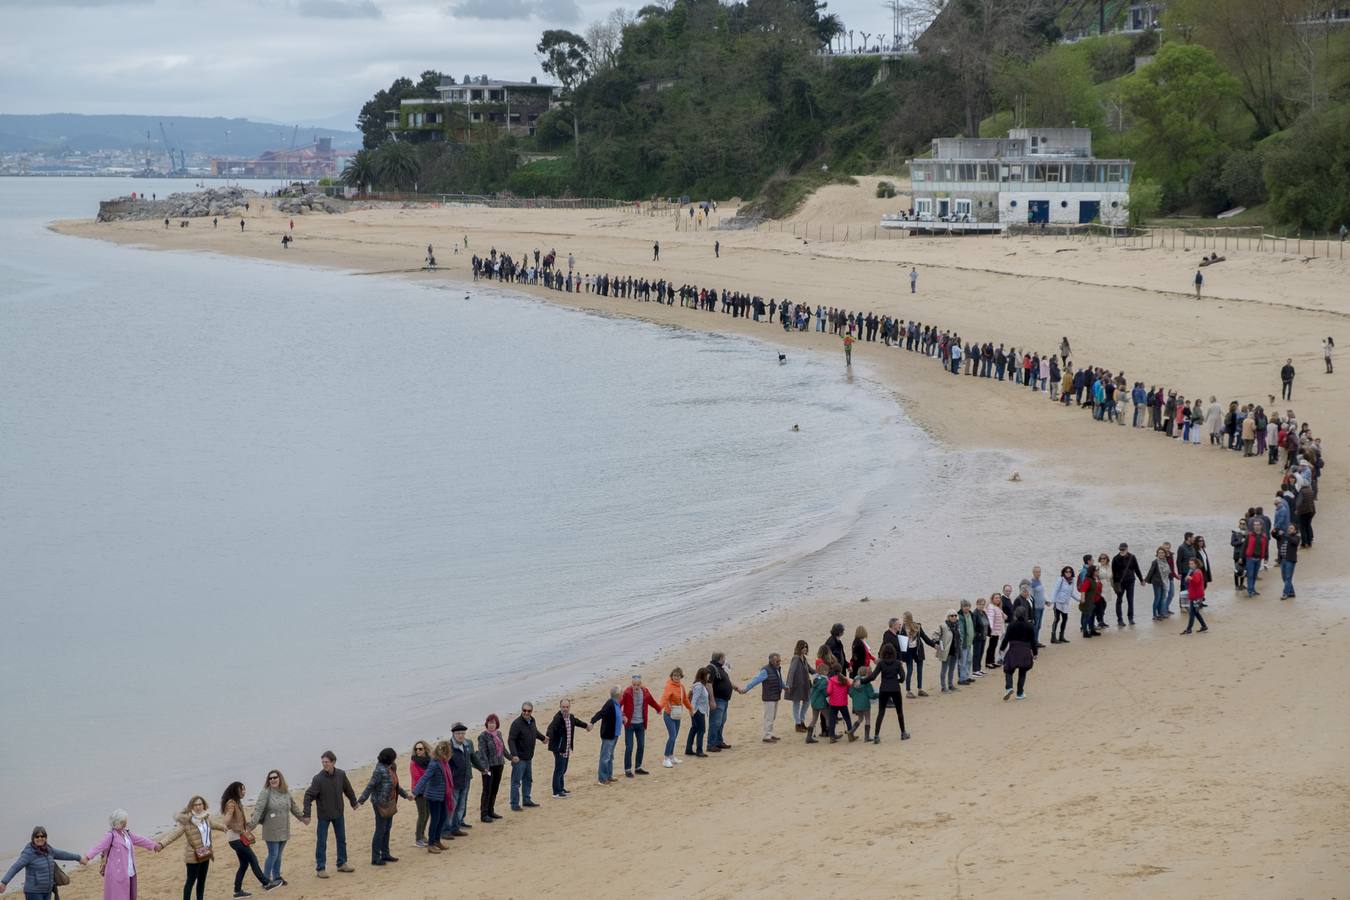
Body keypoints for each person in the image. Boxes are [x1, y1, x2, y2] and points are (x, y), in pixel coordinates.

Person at [158, 795, 227, 900]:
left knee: (202, 881)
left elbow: (213, 825)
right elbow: (174, 834)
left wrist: (224, 827)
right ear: (191, 807)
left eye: (200, 804)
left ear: (203, 805)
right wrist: (162, 844)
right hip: (193, 856)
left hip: (205, 852)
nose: (198, 807)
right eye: (195, 805)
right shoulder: (187, 821)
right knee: (190, 882)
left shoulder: (205, 817)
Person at [302, 751, 356, 878]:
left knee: (341, 839)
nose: (324, 764)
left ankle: (342, 863)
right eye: (323, 762)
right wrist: (307, 814)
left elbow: (348, 789)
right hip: (324, 816)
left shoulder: (341, 774)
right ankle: (320, 868)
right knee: (322, 842)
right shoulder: (318, 779)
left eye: (326, 762)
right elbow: (308, 796)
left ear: (333, 762)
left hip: (338, 813)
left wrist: (354, 802)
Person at [85, 810, 160, 900]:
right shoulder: (110, 835)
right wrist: (87, 857)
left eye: (125, 821)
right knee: (119, 896)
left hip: (130, 871)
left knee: (129, 895)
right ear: (116, 823)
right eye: (123, 821)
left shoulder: (126, 833)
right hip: (117, 873)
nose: (125, 823)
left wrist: (153, 845)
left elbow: (140, 839)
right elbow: (99, 846)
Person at [356, 749, 412, 866]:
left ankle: (385, 854)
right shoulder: (379, 770)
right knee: (380, 830)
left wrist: (406, 795)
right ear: (389, 758)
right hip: (379, 803)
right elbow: (370, 786)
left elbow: (396, 785)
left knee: (387, 828)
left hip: (390, 802)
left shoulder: (392, 767)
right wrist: (361, 801)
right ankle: (375, 858)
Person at [248, 769, 303, 886]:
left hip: (284, 828)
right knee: (273, 854)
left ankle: (277, 877)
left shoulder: (285, 792)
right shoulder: (265, 792)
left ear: (280, 778)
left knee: (278, 855)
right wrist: (251, 826)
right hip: (271, 829)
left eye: (275, 777)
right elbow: (258, 810)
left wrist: (302, 818)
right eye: (270, 778)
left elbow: (293, 806)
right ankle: (266, 880)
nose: (273, 780)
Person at [1, 826, 86, 899]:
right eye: (37, 836)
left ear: (46, 838)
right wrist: (4, 882)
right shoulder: (28, 853)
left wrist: (78, 858)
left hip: (47, 890)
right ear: (33, 838)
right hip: (34, 892)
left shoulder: (49, 850)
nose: (40, 838)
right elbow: (15, 867)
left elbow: (63, 854)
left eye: (42, 836)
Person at [219, 781, 268, 896]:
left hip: (237, 838)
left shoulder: (237, 802)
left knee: (244, 864)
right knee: (253, 859)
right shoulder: (231, 803)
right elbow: (227, 819)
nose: (244, 791)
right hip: (235, 839)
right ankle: (266, 883)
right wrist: (230, 825)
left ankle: (237, 891)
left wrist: (245, 827)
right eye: (242, 789)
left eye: (244, 789)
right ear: (236, 790)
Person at [411, 741, 453, 853]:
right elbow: (424, 778)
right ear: (437, 751)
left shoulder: (444, 762)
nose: (443, 753)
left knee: (443, 817)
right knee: (435, 819)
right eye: (441, 750)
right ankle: (430, 844)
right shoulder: (434, 763)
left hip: (444, 795)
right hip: (433, 796)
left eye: (445, 751)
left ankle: (437, 840)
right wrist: (415, 792)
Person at [861, 643, 909, 742]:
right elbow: (903, 677)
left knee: (881, 712)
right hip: (895, 689)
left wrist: (861, 681)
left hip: (884, 689)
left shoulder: (881, 664)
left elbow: (873, 677)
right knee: (899, 712)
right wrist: (898, 681)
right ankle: (903, 733)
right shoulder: (897, 663)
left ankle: (876, 736)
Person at [545, 700, 590, 797]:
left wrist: (586, 726)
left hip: (566, 747)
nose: (565, 709)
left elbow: (578, 722)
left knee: (563, 768)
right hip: (559, 747)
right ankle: (556, 792)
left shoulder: (571, 717)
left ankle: (561, 788)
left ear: (569, 707)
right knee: (559, 769)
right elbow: (551, 728)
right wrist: (548, 736)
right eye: (563, 707)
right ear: (560, 707)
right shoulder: (557, 718)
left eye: (567, 707)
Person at [621, 674, 662, 775]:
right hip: (629, 724)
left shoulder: (645, 692)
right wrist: (623, 715)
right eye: (634, 684)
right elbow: (618, 705)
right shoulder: (627, 693)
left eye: (638, 685)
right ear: (632, 684)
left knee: (641, 745)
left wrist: (658, 709)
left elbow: (652, 701)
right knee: (629, 747)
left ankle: (638, 767)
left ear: (641, 684)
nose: (636, 687)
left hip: (641, 723)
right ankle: (627, 769)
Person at [507, 703, 545, 810]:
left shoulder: (532, 720)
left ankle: (526, 800)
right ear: (521, 710)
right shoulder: (516, 724)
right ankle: (514, 804)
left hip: (529, 757)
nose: (526, 713)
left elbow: (534, 732)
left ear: (531, 712)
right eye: (524, 710)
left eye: (529, 711)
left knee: (528, 780)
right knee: (516, 782)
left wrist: (543, 738)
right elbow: (511, 740)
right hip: (519, 758)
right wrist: (514, 755)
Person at [740, 654, 784, 743]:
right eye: (777, 661)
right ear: (771, 661)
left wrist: (785, 687)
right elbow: (756, 680)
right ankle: (766, 736)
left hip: (775, 696)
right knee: (769, 717)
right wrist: (746, 689)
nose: (779, 663)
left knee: (772, 716)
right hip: (769, 697)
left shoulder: (776, 669)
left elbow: (780, 680)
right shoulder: (765, 670)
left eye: (779, 661)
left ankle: (769, 734)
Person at [1000, 608, 1038, 700]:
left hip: (1013, 649)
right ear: (1025, 615)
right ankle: (1019, 693)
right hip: (1025, 650)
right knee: (1023, 671)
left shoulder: (1011, 625)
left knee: (1008, 669)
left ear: (1015, 615)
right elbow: (1033, 641)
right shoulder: (1029, 626)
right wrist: (1035, 652)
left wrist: (1002, 648)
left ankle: (1009, 687)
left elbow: (1006, 638)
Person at [476, 715, 508, 819]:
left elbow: (503, 748)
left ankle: (491, 811)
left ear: (496, 724)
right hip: (488, 767)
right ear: (486, 724)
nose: (491, 725)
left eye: (493, 723)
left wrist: (511, 758)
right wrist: (485, 767)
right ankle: (484, 814)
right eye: (489, 723)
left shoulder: (498, 733)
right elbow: (482, 753)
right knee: (487, 790)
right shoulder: (483, 736)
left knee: (495, 789)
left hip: (499, 764)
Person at [589, 689, 623, 784]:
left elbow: (616, 715)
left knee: (610, 756)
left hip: (615, 734)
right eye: (621, 693)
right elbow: (601, 713)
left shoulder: (616, 703)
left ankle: (609, 776)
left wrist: (622, 718)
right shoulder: (609, 704)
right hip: (608, 735)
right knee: (605, 757)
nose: (622, 695)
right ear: (618, 695)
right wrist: (592, 721)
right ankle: (602, 779)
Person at [902, 613, 935, 697]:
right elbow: (898, 642)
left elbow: (925, 638)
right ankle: (908, 691)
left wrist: (934, 645)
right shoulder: (901, 629)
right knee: (909, 671)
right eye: (903, 619)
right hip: (908, 652)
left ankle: (920, 689)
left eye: (905, 619)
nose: (904, 621)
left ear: (910, 619)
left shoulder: (917, 626)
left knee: (919, 670)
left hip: (918, 651)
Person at [1111, 543, 1144, 626]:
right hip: (1119, 582)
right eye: (1120, 549)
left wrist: (1141, 579)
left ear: (1127, 549)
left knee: (1130, 600)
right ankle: (1120, 619)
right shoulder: (1115, 558)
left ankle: (1130, 618)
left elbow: (1137, 569)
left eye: (1123, 549)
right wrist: (1114, 584)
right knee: (1119, 600)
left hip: (1130, 581)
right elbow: (1113, 573)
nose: (1122, 551)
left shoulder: (1132, 557)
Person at [706, 652, 735, 750]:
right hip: (718, 700)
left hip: (724, 700)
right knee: (715, 722)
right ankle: (711, 744)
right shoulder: (711, 668)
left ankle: (718, 741)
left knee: (721, 722)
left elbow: (727, 681)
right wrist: (712, 700)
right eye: (724, 658)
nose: (725, 660)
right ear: (720, 658)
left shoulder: (720, 669)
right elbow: (709, 684)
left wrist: (736, 688)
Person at [785, 640, 812, 732]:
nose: (805, 649)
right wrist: (789, 684)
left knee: (807, 701)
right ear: (799, 648)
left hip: (804, 685)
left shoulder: (804, 658)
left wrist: (821, 672)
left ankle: (801, 721)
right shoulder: (796, 658)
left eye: (806, 647)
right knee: (796, 704)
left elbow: (810, 669)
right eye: (803, 647)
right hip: (796, 685)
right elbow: (791, 671)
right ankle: (798, 724)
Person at [824, 664, 857, 742]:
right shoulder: (844, 679)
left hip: (833, 703)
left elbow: (829, 691)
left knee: (832, 719)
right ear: (841, 670)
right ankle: (850, 734)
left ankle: (831, 736)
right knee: (847, 719)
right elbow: (850, 688)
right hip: (843, 703)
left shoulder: (831, 680)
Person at [408, 743, 432, 846]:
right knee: (422, 814)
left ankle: (422, 836)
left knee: (427, 814)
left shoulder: (429, 760)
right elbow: (418, 777)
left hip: (429, 791)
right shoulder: (414, 763)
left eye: (420, 749)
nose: (418, 751)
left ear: (425, 749)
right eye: (416, 749)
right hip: (419, 791)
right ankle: (418, 838)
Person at [1180, 558, 1209, 635]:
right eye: (1189, 564)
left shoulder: (1197, 572)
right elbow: (1188, 582)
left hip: (1197, 596)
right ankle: (1204, 626)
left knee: (1192, 613)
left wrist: (1190, 578)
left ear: (1196, 564)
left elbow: (1196, 582)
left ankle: (1189, 629)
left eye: (1192, 564)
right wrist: (1188, 578)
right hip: (1194, 595)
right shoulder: (1192, 572)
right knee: (1195, 612)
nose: (1190, 565)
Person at [804, 661, 830, 743]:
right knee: (828, 716)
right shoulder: (824, 681)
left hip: (814, 702)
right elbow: (825, 692)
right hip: (821, 702)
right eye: (827, 671)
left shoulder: (815, 679)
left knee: (814, 718)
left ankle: (809, 737)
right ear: (825, 671)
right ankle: (831, 734)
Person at [848, 667, 877, 741]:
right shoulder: (867, 683)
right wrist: (879, 694)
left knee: (860, 719)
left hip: (856, 704)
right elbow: (872, 695)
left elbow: (850, 692)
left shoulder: (854, 682)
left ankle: (851, 731)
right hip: (865, 704)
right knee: (867, 719)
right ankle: (867, 737)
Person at [687, 669, 711, 757]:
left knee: (694, 729)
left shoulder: (700, 685)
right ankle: (699, 750)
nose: (709, 676)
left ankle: (688, 749)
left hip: (698, 710)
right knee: (701, 730)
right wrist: (692, 711)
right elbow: (694, 699)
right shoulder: (699, 686)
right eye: (707, 675)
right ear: (703, 676)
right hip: (698, 711)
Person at [1050, 566, 1077, 643]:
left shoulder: (1072, 581)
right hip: (1058, 602)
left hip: (1065, 604)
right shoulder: (1060, 580)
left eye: (1070, 572)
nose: (1068, 573)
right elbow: (1055, 590)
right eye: (1066, 571)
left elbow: (1071, 593)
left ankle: (1061, 636)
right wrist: (1052, 601)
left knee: (1065, 619)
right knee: (1057, 619)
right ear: (1063, 572)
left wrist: (1079, 599)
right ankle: (1053, 637)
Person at [1244, 519, 1268, 597]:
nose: (1256, 526)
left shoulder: (1264, 536)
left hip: (1259, 559)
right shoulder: (1249, 535)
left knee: (1254, 575)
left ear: (1261, 526)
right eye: (1255, 525)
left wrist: (1266, 558)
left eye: (1258, 525)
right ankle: (1250, 590)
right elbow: (1245, 546)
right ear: (1253, 526)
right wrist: (1241, 557)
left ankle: (1252, 589)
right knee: (1250, 575)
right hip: (1250, 558)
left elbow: (1266, 548)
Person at [937, 610, 960, 692]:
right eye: (951, 615)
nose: (954, 617)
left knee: (952, 669)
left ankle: (950, 685)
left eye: (955, 615)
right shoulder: (943, 626)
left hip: (955, 651)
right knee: (944, 669)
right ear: (948, 617)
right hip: (946, 651)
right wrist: (938, 644)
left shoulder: (957, 625)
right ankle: (943, 687)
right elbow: (935, 635)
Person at [1146, 547, 1171, 621]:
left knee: (1162, 599)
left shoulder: (1166, 561)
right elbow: (1151, 572)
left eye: (1162, 553)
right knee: (1157, 598)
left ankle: (1160, 613)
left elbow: (1168, 572)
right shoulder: (1155, 562)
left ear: (1165, 554)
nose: (1161, 554)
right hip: (1156, 582)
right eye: (1159, 553)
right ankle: (1154, 615)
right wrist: (1145, 580)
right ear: (1157, 554)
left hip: (1164, 582)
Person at [1079, 564, 1103, 638]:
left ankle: (1092, 630)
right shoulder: (1088, 580)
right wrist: (1082, 600)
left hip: (1095, 600)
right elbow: (1083, 590)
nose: (1097, 572)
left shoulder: (1096, 578)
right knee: (1087, 616)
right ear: (1092, 571)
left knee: (1092, 616)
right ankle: (1085, 631)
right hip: (1088, 601)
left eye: (1097, 570)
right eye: (1096, 571)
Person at [1277, 523, 1299, 599]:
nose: (1289, 529)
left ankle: (1285, 593)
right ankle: (1291, 592)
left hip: (1290, 560)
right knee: (1284, 578)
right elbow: (1275, 536)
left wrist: (1286, 535)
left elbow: (1294, 542)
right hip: (1282, 560)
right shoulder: (1284, 537)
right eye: (1289, 528)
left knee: (1288, 577)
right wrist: (1274, 531)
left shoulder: (1296, 537)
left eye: (1291, 528)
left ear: (1295, 531)